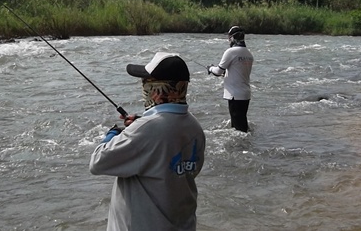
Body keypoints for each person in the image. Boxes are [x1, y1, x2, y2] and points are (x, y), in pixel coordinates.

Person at [89, 52, 206, 231]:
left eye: (145, 82)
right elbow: (177, 167)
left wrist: (113, 132)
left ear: (157, 90)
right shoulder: (195, 127)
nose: (143, 86)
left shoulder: (146, 129)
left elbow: (98, 162)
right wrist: (140, 124)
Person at [207, 26, 254, 132]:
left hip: (234, 95)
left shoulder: (231, 52)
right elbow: (239, 72)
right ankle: (246, 146)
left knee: (238, 129)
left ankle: (241, 148)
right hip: (245, 94)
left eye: (229, 37)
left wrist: (210, 68)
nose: (228, 40)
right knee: (242, 124)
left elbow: (218, 71)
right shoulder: (248, 54)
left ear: (232, 38)